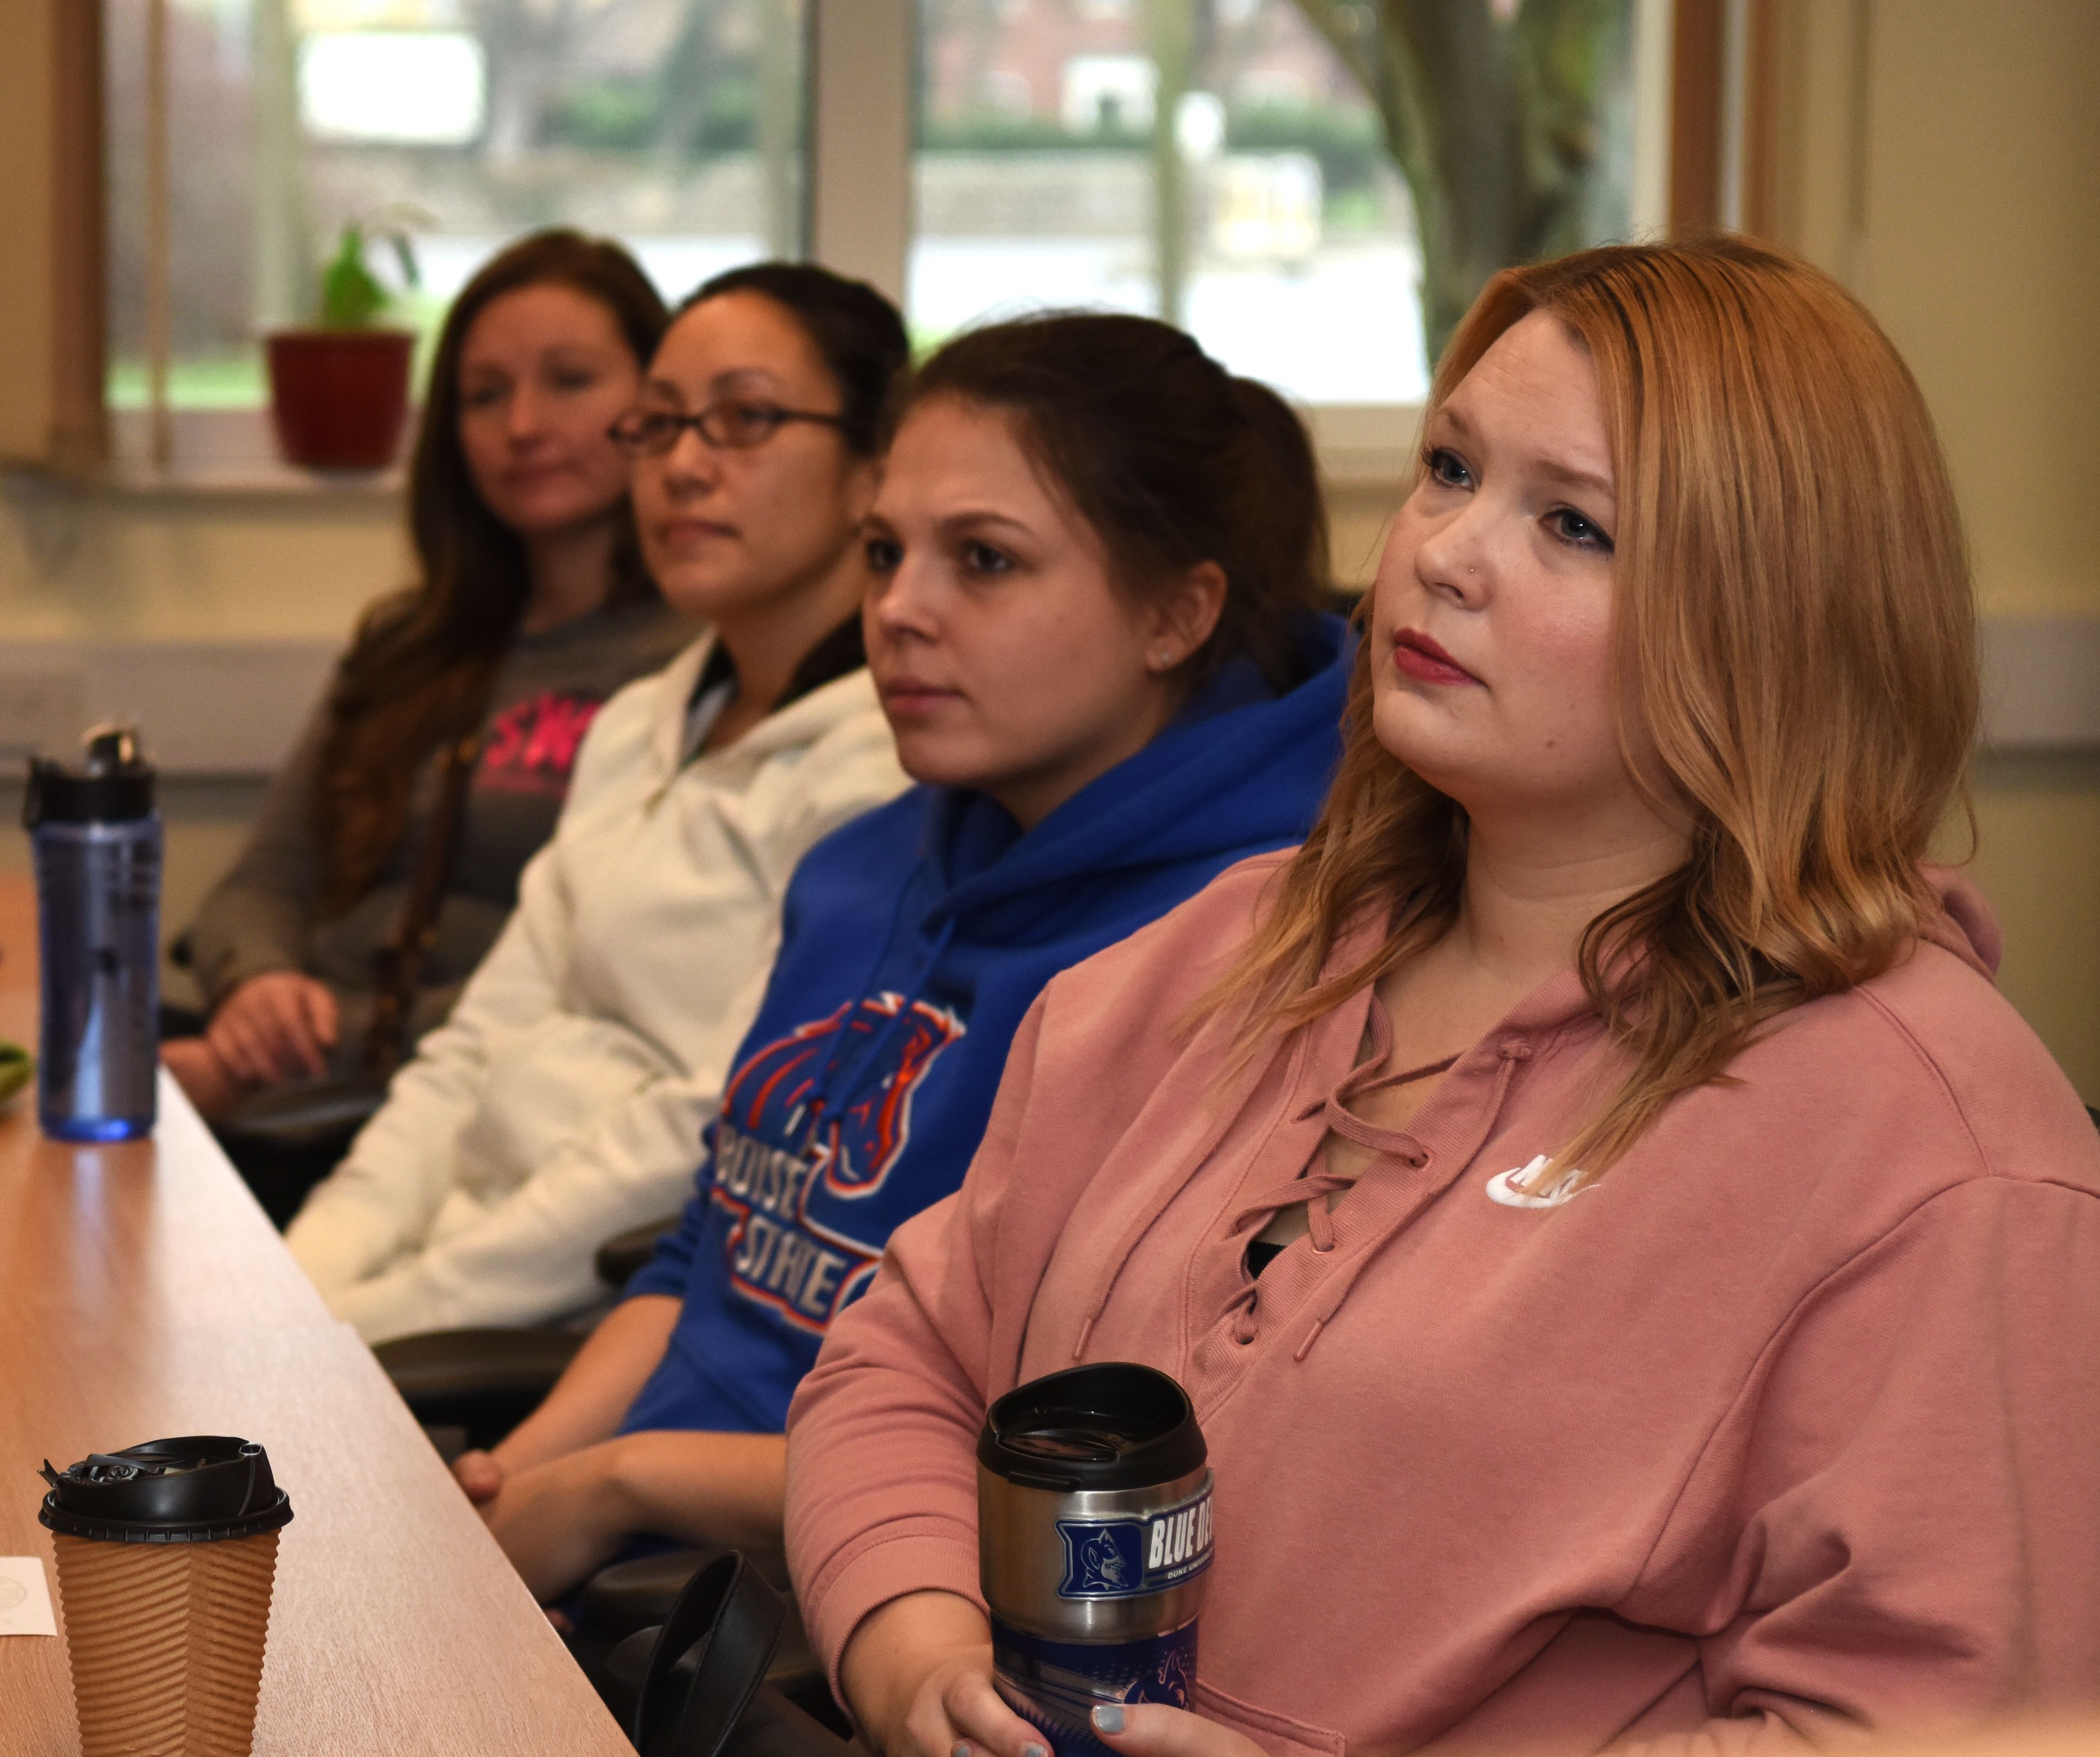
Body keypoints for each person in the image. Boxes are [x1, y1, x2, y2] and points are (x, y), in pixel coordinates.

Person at [787, 239, 2100, 1757]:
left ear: (1771, 616)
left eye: (1569, 522)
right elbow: (909, 1353)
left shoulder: (1938, 1150)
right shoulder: (1226, 948)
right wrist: (915, 1645)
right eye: (1446, 466)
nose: (1444, 551)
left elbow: (1943, 1719)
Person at [452, 313, 1354, 1601]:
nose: (897, 612)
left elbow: (1050, 1466)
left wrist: (617, 1487)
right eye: (884, 552)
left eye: (981, 560)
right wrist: (509, 1482)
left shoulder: (1222, 950)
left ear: (1173, 614)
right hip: (628, 1538)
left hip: (832, 1611)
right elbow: (711, 1244)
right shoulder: (865, 858)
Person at [284, 263, 917, 1343]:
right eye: (660, 426)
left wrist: (370, 1325)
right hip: (434, 1275)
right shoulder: (638, 723)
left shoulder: (881, 766)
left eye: (744, 421)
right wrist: (301, 1280)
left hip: (586, 1322)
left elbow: (706, 1131)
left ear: (872, 472)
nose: (682, 466)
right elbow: (473, 1049)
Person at [168, 231, 695, 1121]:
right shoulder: (406, 640)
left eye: (569, 380)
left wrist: (318, 1045)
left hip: (472, 1102)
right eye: (484, 394)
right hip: (289, 1060)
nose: (522, 425)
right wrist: (259, 983)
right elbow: (265, 878)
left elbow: (598, 982)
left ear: (658, 407)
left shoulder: (696, 666)